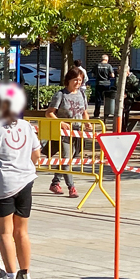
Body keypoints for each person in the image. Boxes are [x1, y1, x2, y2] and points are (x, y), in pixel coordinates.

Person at [0, 83, 41, 279]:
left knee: (5, 232)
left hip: (3, 184)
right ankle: (26, 274)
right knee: (22, 231)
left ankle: (11, 275)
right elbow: (36, 155)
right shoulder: (27, 126)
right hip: (25, 181)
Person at [44, 67, 89, 198]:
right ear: (68, 80)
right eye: (75, 80)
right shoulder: (61, 95)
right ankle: (72, 187)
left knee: (72, 157)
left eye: (80, 80)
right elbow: (49, 113)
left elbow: (84, 112)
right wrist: (61, 123)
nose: (78, 83)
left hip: (78, 132)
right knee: (66, 159)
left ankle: (55, 182)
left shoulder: (82, 94)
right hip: (64, 134)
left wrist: (87, 124)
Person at [92, 55, 116, 120]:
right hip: (106, 84)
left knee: (98, 100)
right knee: (107, 99)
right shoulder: (109, 66)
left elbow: (93, 75)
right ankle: (106, 113)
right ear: (106, 60)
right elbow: (112, 75)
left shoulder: (97, 65)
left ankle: (96, 114)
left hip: (98, 83)